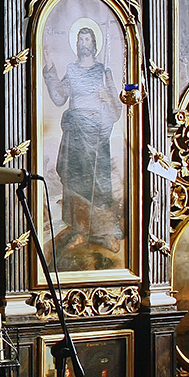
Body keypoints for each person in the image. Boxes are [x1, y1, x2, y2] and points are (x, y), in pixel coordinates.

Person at [42, 23, 124, 257]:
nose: (83, 43)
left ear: (94, 44)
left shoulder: (103, 72)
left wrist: (107, 97)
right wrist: (49, 65)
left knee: (99, 185)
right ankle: (79, 230)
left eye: (87, 39)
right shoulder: (72, 70)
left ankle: (106, 231)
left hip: (96, 134)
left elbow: (117, 110)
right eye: (80, 39)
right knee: (75, 182)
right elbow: (59, 97)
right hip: (76, 133)